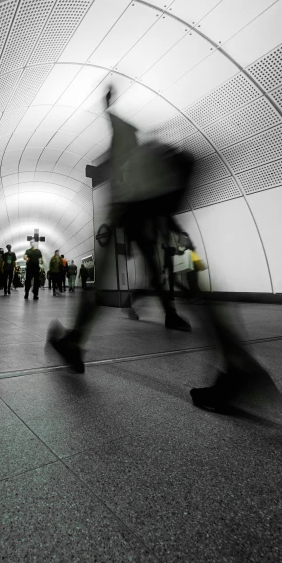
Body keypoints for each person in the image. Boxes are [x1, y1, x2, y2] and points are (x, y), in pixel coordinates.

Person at [47, 85, 192, 372]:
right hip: (143, 209)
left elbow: (117, 127)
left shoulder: (125, 145)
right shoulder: (136, 153)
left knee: (104, 272)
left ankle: (74, 340)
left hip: (128, 208)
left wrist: (107, 104)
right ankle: (171, 314)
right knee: (151, 265)